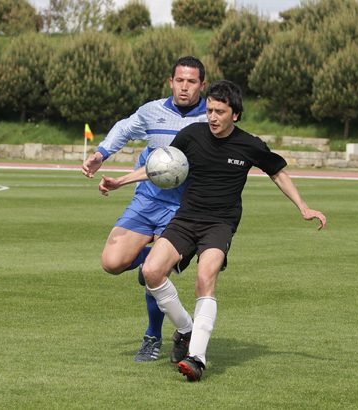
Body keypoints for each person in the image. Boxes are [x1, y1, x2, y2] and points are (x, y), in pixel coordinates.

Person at [98, 80, 327, 381]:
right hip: (185, 218)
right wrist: (121, 181)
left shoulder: (250, 145)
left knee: (205, 277)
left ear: (236, 115)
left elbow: (278, 173)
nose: (213, 117)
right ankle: (185, 328)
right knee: (152, 272)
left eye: (220, 111)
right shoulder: (192, 135)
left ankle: (197, 358)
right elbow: (159, 166)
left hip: (220, 224)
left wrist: (304, 207)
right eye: (209, 111)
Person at [81, 56, 208, 362]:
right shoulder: (152, 111)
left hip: (183, 207)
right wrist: (101, 154)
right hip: (147, 200)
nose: (185, 87)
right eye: (180, 80)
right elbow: (124, 128)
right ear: (171, 82)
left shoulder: (211, 118)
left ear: (202, 85)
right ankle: (147, 256)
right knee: (111, 262)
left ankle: (152, 336)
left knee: (155, 272)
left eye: (192, 82)